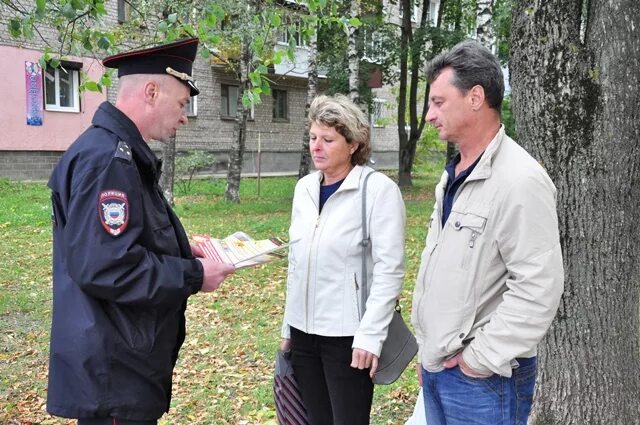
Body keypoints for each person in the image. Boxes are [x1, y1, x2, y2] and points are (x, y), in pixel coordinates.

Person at [46, 38, 235, 425]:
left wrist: (185, 250)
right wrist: (195, 276)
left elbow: (122, 240)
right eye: (182, 103)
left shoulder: (119, 152)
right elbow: (106, 266)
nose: (184, 117)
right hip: (116, 368)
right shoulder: (108, 160)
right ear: (152, 92)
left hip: (122, 358)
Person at [411, 40, 564, 425]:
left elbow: (539, 285)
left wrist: (480, 360)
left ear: (476, 97)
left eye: (438, 102)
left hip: (484, 381)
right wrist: (427, 351)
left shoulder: (520, 180)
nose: (429, 115)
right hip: (439, 369)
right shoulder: (454, 175)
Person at [280, 94, 406, 424]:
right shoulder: (304, 189)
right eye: (312, 138)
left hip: (349, 338)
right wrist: (287, 325)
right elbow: (296, 262)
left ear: (352, 144)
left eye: (328, 139)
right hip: (303, 334)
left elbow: (389, 270)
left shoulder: (377, 191)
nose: (316, 147)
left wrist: (370, 336)